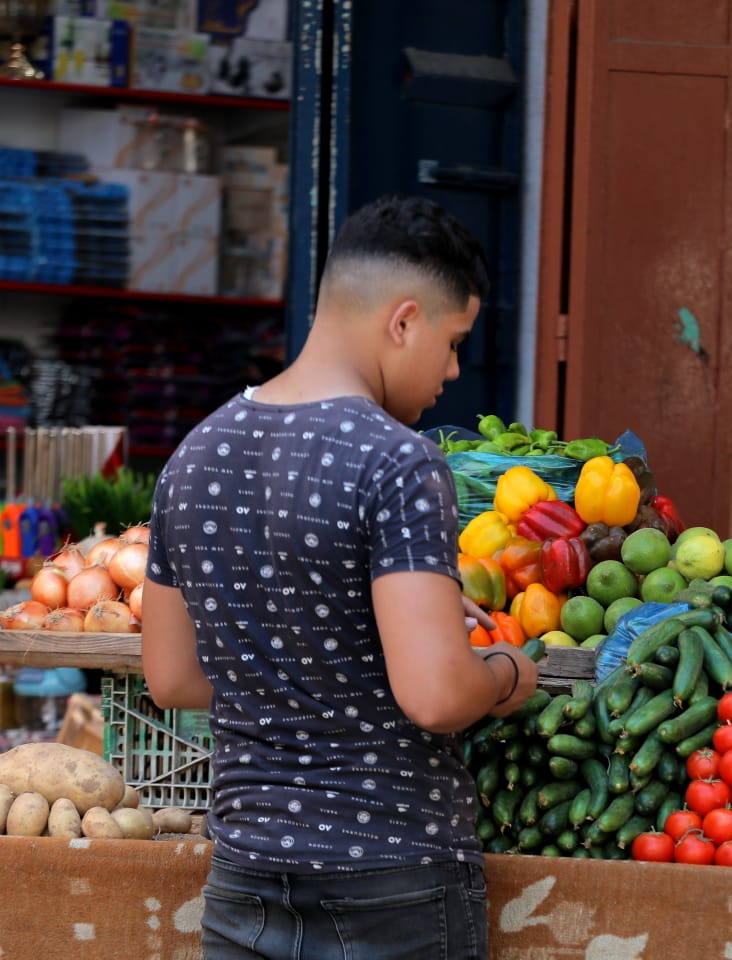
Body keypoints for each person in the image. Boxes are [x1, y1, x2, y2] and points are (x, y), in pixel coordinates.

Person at [141, 193, 539, 960]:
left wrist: (321, 659)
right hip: (392, 881)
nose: (454, 370)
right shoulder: (397, 461)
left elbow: (173, 678)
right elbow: (435, 697)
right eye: (453, 342)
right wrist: (504, 672)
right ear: (404, 321)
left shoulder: (195, 455)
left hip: (245, 879)